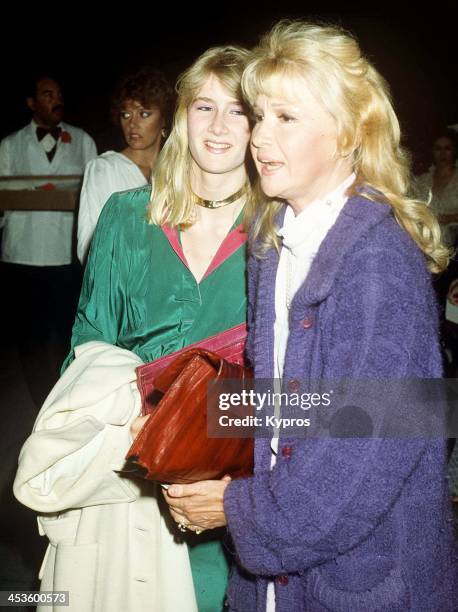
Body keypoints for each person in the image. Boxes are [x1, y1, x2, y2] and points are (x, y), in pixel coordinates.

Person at [163, 20, 458, 611]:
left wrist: (232, 507)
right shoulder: (275, 239)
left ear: (347, 134)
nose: (258, 138)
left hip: (364, 583)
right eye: (261, 115)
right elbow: (305, 404)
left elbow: (360, 463)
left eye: (286, 119)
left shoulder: (379, 265)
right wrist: (200, 428)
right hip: (276, 581)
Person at [14, 45, 254, 611]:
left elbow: (312, 387)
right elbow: (87, 348)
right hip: (127, 478)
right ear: (181, 117)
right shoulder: (126, 213)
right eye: (203, 107)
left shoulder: (278, 231)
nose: (218, 127)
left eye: (238, 110)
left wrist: (240, 491)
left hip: (228, 490)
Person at [0, 74, 97, 407]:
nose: (56, 99)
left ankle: (65, 396)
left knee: (64, 334)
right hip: (20, 255)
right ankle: (41, 402)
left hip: (65, 256)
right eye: (47, 94)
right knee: (30, 338)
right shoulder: (9, 145)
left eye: (59, 93)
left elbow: (93, 200)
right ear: (31, 103)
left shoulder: (83, 140)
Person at [77, 66, 174, 264]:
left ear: (164, 118)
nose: (132, 124)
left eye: (144, 114)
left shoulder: (177, 171)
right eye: (126, 115)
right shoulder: (105, 168)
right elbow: (88, 245)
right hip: (125, 285)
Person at [415, 127, 458, 248]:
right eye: (438, 149)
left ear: (454, 151)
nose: (443, 153)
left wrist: (450, 218)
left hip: (452, 247)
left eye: (447, 148)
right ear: (432, 152)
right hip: (422, 242)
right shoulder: (422, 180)